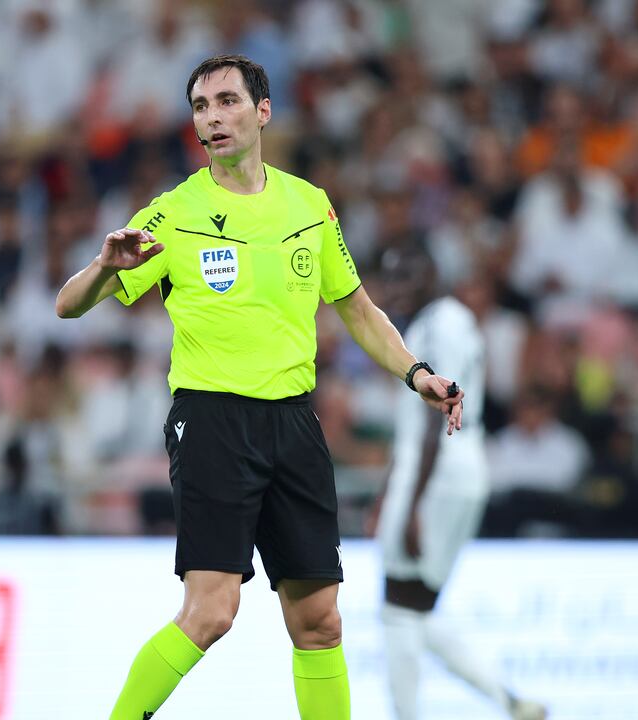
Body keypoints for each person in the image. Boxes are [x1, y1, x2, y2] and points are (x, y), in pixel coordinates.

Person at [55, 54, 465, 720]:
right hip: (213, 421)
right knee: (212, 612)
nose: (211, 118)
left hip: (294, 427)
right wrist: (104, 268)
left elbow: (357, 308)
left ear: (262, 110)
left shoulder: (308, 206)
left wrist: (417, 372)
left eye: (225, 102)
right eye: (199, 106)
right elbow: (67, 307)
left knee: (321, 622)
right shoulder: (173, 213)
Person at [371, 257, 547, 720]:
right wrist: (389, 491)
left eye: (406, 273)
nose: (397, 286)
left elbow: (440, 406)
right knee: (418, 608)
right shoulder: (446, 321)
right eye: (390, 277)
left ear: (432, 273)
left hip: (438, 472)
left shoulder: (440, 323)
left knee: (397, 607)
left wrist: (410, 503)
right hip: (456, 469)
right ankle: (510, 701)